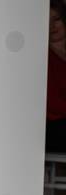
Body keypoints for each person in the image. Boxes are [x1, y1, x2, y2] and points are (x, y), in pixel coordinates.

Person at [48, 0, 66, 151]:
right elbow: (52, 103)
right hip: (53, 124)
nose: (52, 26)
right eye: (47, 21)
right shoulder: (43, 56)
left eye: (56, 19)